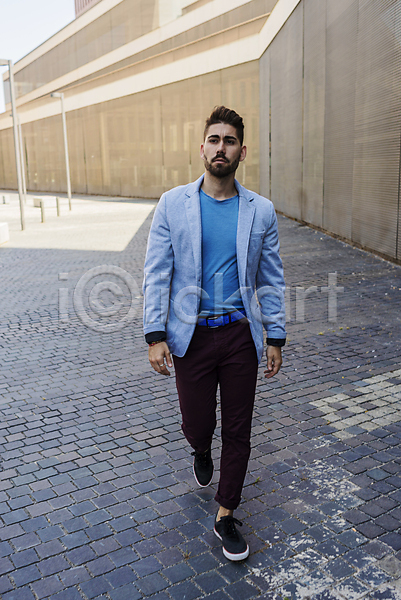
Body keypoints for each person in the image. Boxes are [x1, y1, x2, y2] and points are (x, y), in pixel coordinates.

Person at [143, 106, 286, 561]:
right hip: (193, 338)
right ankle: (200, 448)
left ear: (242, 152)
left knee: (239, 429)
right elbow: (156, 272)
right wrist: (155, 334)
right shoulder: (173, 204)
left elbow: (271, 277)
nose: (220, 147)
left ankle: (226, 513)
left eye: (229, 141)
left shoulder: (260, 210)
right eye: (214, 139)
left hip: (240, 335)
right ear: (201, 148)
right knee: (198, 422)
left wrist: (275, 336)